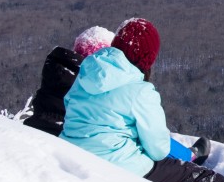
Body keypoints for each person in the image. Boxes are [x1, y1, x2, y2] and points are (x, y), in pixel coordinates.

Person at [60, 18, 224, 182]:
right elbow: (159, 150)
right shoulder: (141, 91)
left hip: (73, 154)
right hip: (120, 166)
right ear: (147, 57)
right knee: (204, 179)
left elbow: (69, 106)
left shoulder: (85, 73)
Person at [24, 25, 207, 164]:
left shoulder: (58, 74)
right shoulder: (94, 86)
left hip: (41, 133)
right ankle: (187, 156)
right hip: (82, 148)